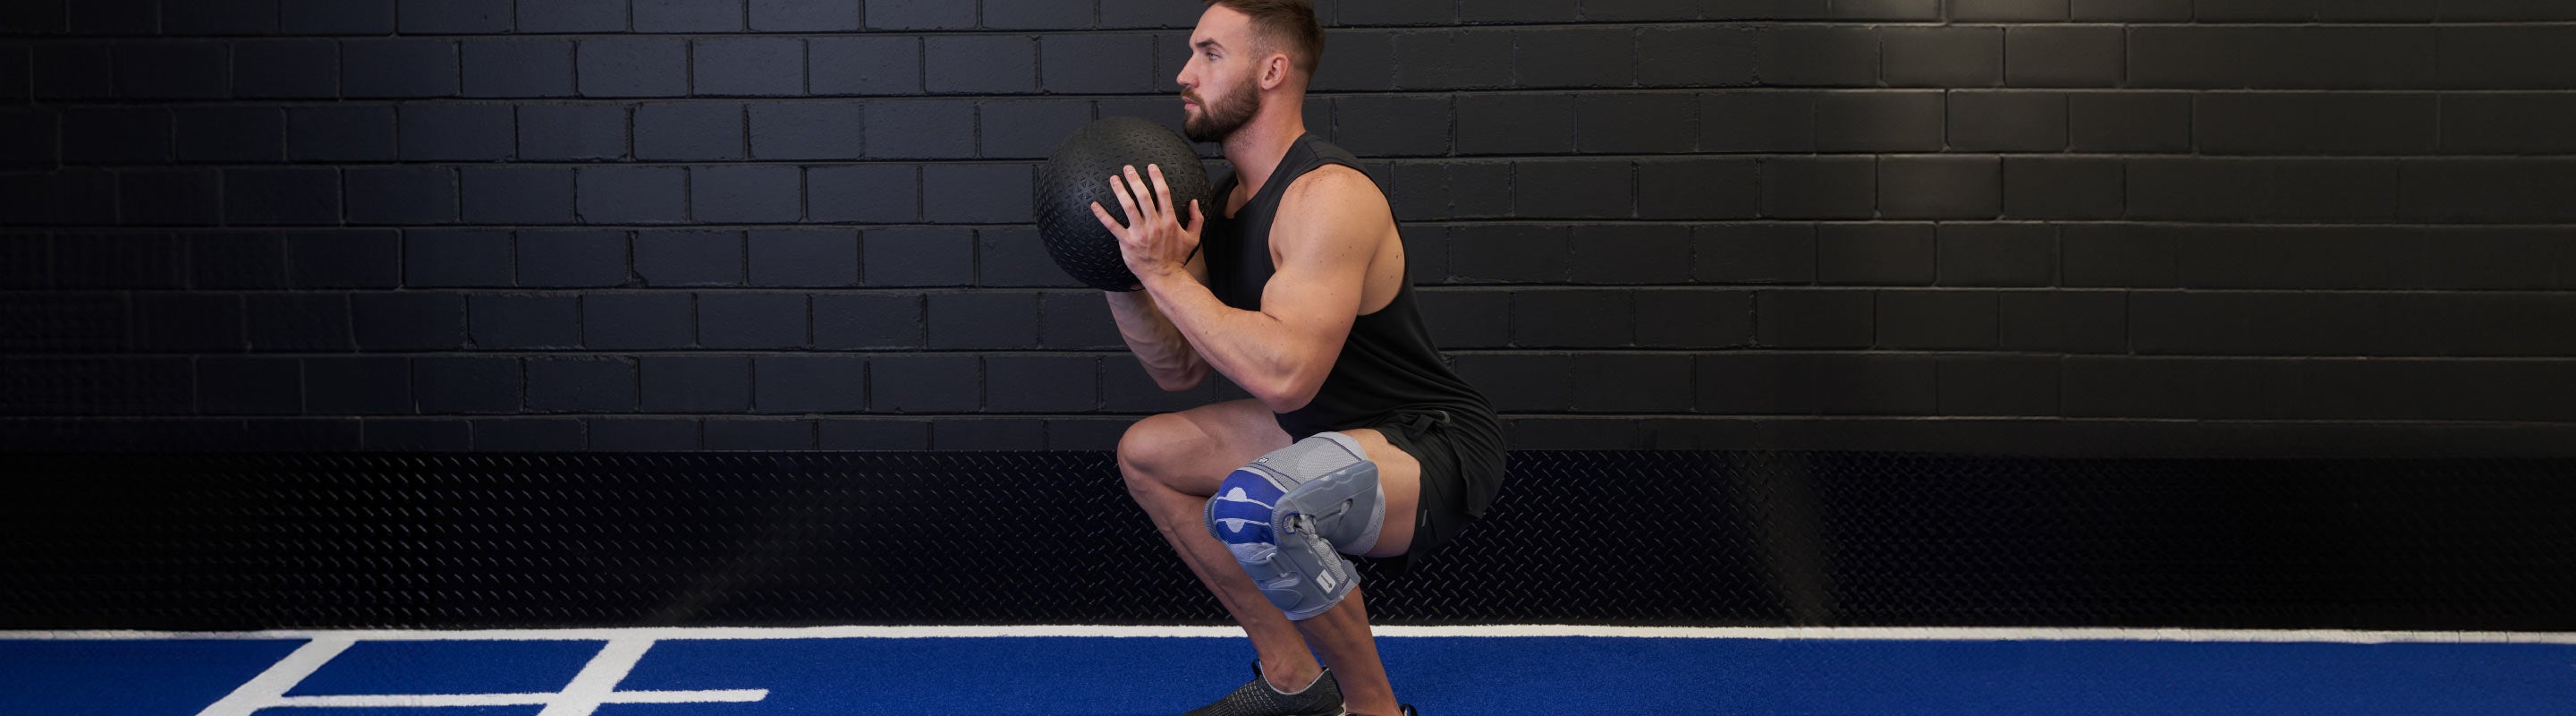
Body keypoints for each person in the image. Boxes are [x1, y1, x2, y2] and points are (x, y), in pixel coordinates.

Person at [1091, 2, 1506, 715]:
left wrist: (1164, 275)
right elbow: (1179, 370)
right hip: (1319, 427)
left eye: (1210, 54)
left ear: (1273, 70)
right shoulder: (1220, 208)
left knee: (1256, 503)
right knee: (1148, 452)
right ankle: (1293, 680)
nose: (1185, 74)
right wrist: (1122, 273)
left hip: (1422, 441)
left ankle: (1374, 709)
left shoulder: (1327, 195)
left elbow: (1287, 376)